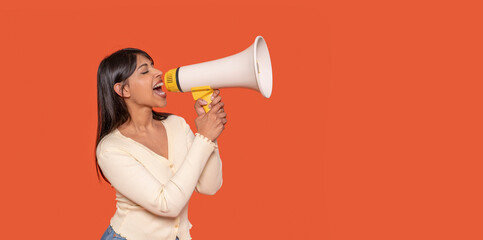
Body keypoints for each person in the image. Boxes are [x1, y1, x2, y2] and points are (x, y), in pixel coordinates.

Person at [95, 48, 227, 240]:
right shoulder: (110, 149)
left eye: (153, 65)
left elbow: (209, 186)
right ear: (123, 90)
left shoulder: (176, 124)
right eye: (144, 70)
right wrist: (204, 138)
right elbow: (167, 205)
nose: (158, 72)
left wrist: (211, 134)